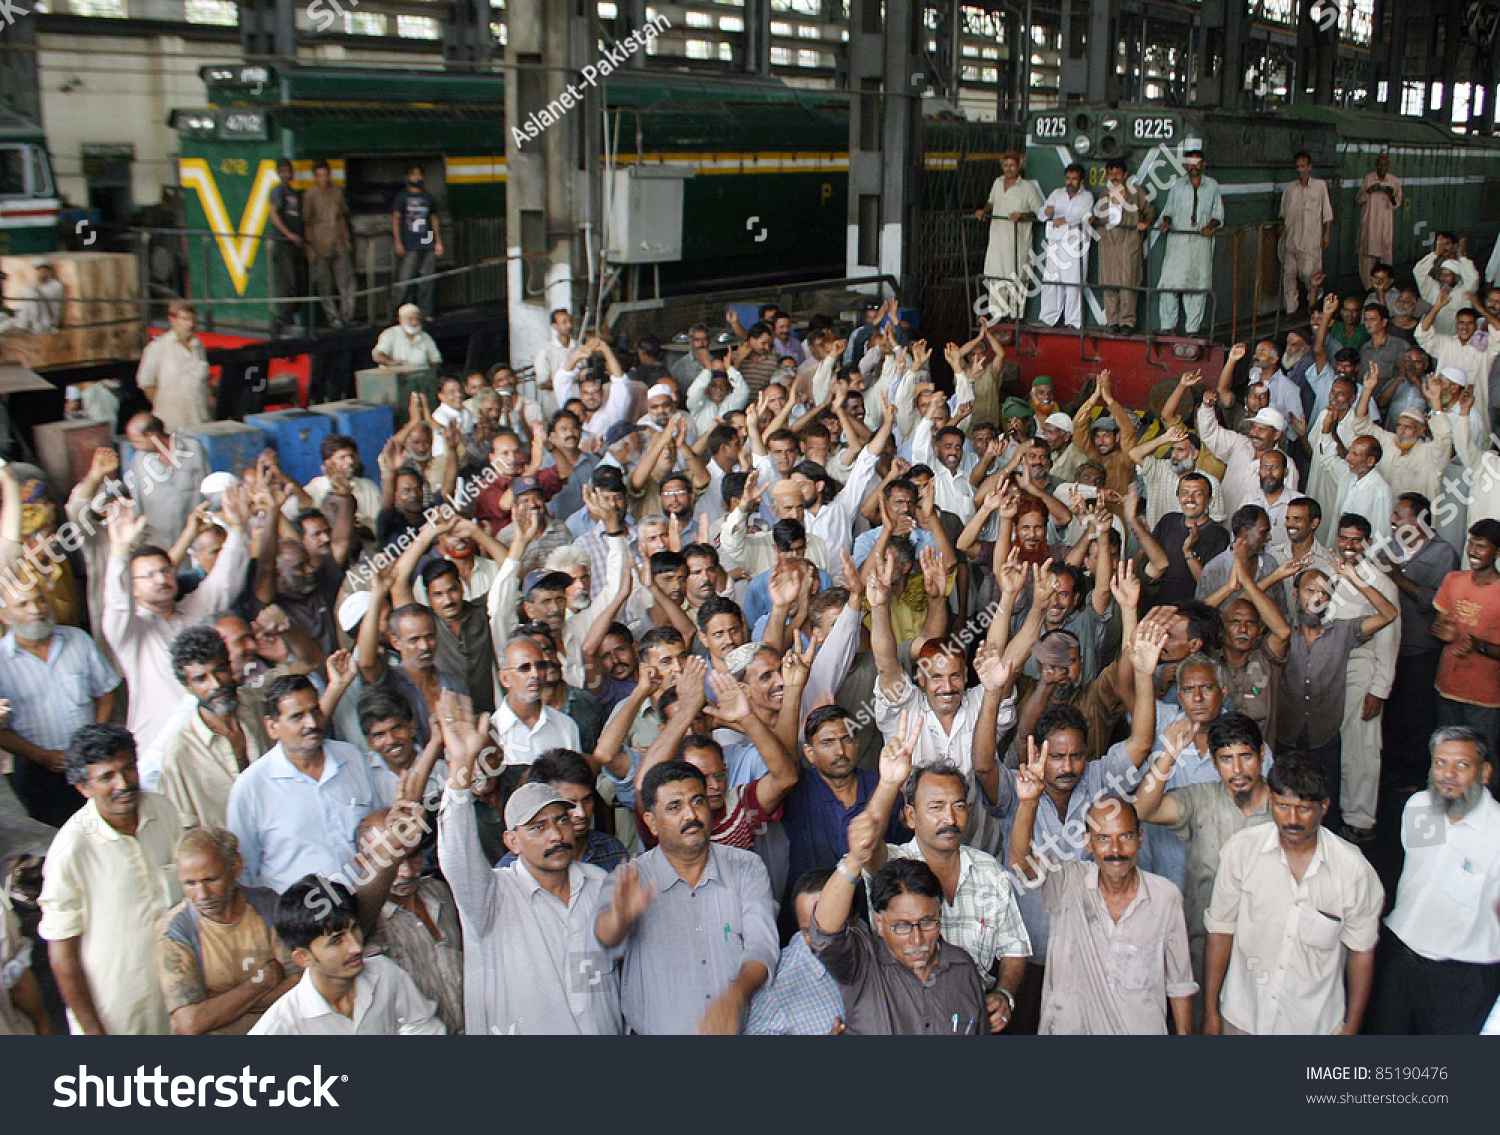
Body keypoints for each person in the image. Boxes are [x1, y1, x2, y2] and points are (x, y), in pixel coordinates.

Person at [435, 697, 622, 1034]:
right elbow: (456, 856)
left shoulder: (597, 883)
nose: (556, 834)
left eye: (561, 820)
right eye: (537, 827)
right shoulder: (493, 896)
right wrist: (461, 770)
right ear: (512, 841)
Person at [593, 760, 778, 1034]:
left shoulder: (746, 867)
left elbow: (762, 947)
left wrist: (735, 996)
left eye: (697, 801)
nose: (691, 815)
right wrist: (620, 918)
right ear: (652, 823)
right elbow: (604, 936)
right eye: (674, 807)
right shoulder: (630, 878)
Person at [1202, 757, 1384, 1035]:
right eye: (1282, 807)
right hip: (1242, 1017)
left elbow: (1361, 953)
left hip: (1313, 1026)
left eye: (1303, 809)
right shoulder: (1242, 851)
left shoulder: (1354, 872)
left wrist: (1352, 1028)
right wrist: (1211, 1011)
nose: (1292, 820)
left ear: (1324, 807)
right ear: (1271, 802)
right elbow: (1220, 933)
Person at [1010, 763, 1196, 1035]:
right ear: (1088, 843)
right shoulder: (1068, 883)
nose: (1116, 850)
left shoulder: (1165, 897)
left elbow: (1179, 984)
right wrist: (1027, 803)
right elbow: (1021, 863)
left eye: (1126, 837)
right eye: (1104, 838)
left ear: (1140, 839)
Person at [39, 723, 184, 1034]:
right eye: (107, 777)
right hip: (118, 1016)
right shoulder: (71, 850)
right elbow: (62, 957)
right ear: (84, 788)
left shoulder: (163, 811)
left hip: (180, 999)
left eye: (128, 768)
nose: (124, 783)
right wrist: (94, 1032)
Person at [1132, 713, 1275, 1012]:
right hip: (1202, 949)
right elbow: (1143, 810)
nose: (1237, 770)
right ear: (1213, 761)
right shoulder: (1201, 799)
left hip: (1266, 954)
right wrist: (1169, 756)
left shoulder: (1284, 810)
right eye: (1226, 759)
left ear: (1262, 755)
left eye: (1246, 757)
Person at [809, 798, 987, 1035]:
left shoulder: (963, 970)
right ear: (880, 923)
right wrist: (854, 861)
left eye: (927, 922)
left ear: (940, 915)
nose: (917, 940)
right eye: (902, 926)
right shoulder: (863, 966)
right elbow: (825, 933)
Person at [1373, 726, 1499, 1034]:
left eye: (1461, 765)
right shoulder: (1417, 807)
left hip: (1460, 979)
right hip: (1400, 961)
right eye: (1440, 763)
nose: (1447, 774)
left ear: (1484, 773)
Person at [102, 490, 250, 752]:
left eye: (165, 571)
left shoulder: (194, 609)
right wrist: (121, 552)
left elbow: (226, 581)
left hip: (213, 738)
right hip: (160, 745)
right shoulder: (131, 631)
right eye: (148, 576)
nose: (160, 579)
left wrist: (238, 529)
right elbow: (117, 606)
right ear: (132, 588)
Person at [226, 674, 379, 895]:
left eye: (315, 711)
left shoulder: (352, 759)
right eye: (297, 716)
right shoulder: (251, 788)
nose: (312, 723)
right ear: (272, 727)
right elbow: (245, 871)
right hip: (305, 919)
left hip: (368, 901)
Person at [249, 875, 445, 1035]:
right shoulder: (282, 1024)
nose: (356, 948)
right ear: (303, 957)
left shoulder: (384, 973)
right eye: (336, 940)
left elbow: (425, 1027)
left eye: (355, 929)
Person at [1275, 564, 1398, 816]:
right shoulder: (1282, 631)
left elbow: (1389, 614)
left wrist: (1354, 578)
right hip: (1286, 732)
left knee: (1322, 802)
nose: (1317, 599)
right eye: (1310, 591)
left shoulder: (1343, 630)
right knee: (1283, 796)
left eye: (1324, 593)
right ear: (1296, 593)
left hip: (1324, 735)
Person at [0, 578, 121, 827]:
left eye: (40, 600)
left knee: (107, 830)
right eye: (23, 604)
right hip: (38, 772)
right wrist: (42, 756)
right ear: (5, 615)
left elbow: (106, 693)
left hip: (92, 762)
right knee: (54, 843)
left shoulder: (77, 640)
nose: (36, 610)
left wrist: (92, 741)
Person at [156, 826, 298, 1035]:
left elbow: (301, 984)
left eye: (211, 880)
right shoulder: (175, 931)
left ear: (236, 866)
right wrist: (263, 982)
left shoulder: (267, 904)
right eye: (190, 884)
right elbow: (191, 1023)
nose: (202, 894)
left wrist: (221, 1002)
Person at [157, 625, 269, 830]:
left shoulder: (255, 703)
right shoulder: (180, 753)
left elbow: (307, 663)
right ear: (187, 687)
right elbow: (183, 829)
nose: (216, 684)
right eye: (201, 679)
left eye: (220, 671)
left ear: (230, 667)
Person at [1432, 519, 1500, 768]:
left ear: (1498, 552)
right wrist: (1444, 633)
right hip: (1447, 686)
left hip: (1484, 697)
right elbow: (1440, 625)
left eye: (1481, 546)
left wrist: (1479, 646)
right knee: (1447, 753)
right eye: (1471, 544)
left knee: (1481, 759)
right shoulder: (1454, 579)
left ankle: (1485, 806)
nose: (1472, 551)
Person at [1157, 150, 1224, 336]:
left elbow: (1218, 215)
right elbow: (1168, 209)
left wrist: (1210, 227)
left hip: (1200, 245)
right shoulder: (1178, 185)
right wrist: (1166, 222)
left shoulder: (1212, 186)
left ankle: (1192, 330)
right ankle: (1167, 327)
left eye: (1197, 163)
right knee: (1169, 284)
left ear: (1203, 164)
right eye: (1190, 163)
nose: (1193, 167)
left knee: (1197, 287)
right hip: (1177, 243)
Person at [973, 151, 1043, 322]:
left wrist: (1022, 215)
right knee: (996, 277)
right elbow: (991, 201)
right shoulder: (997, 183)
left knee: (1016, 278)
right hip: (997, 241)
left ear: (1019, 166)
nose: (1009, 168)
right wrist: (984, 211)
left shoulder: (1027, 188)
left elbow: (1040, 213)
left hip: (1017, 244)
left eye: (1012, 165)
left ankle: (1015, 318)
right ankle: (998, 317)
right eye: (1006, 165)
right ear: (1002, 166)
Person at [1092, 158, 1155, 333]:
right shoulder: (1104, 193)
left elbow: (1150, 210)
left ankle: (1127, 322)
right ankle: (1112, 322)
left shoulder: (1136, 193)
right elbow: (1101, 216)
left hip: (1129, 242)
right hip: (1108, 243)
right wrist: (1093, 219)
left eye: (1117, 173)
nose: (1114, 177)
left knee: (1128, 283)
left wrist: (1146, 223)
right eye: (1111, 173)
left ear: (1125, 175)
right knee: (1109, 283)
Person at [134, 301, 210, 434]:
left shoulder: (198, 346)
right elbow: (147, 384)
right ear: (172, 320)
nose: (190, 324)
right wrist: (164, 405)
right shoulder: (157, 348)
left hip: (200, 422)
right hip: (171, 426)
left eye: (192, 320)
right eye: (184, 319)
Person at [1037, 163, 1095, 330]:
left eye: (1074, 179)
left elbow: (1082, 215)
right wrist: (1047, 212)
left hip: (1075, 246)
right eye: (1068, 178)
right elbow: (1042, 215)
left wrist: (1064, 220)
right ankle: (1047, 318)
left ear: (1081, 180)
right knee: (1051, 281)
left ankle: (1073, 322)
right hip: (1055, 243)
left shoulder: (1087, 197)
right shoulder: (1057, 194)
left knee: (1073, 284)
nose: (1070, 182)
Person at [303, 158, 355, 328]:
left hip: (338, 242)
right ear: (315, 177)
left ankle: (347, 316)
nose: (323, 178)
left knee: (346, 282)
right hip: (319, 244)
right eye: (319, 175)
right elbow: (307, 222)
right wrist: (309, 247)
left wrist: (347, 239)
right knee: (324, 284)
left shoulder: (337, 192)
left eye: (325, 174)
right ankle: (333, 318)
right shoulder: (310, 195)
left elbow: (341, 218)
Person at [1279, 151, 1333, 315]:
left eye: (1303, 166)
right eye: (1298, 167)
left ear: (1310, 167)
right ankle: (1291, 311)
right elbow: (1283, 213)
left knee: (1311, 277)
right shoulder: (1290, 188)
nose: (1301, 170)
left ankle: (1314, 310)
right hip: (1291, 240)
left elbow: (1327, 214)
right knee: (1289, 276)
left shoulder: (1319, 186)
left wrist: (1327, 234)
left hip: (1311, 241)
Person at [390, 163, 442, 317]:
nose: (416, 177)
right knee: (405, 281)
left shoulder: (428, 197)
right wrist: (398, 242)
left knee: (427, 281)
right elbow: (395, 219)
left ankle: (425, 313)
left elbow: (434, 219)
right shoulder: (402, 197)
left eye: (419, 174)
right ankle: (396, 314)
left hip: (428, 241)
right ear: (407, 177)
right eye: (413, 174)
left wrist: (438, 242)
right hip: (409, 243)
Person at [267, 158, 305, 335]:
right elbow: (273, 214)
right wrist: (289, 235)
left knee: (298, 280)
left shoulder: (294, 193)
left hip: (296, 244)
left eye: (288, 171)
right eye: (282, 171)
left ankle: (291, 316)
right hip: (284, 243)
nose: (286, 174)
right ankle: (285, 318)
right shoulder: (277, 191)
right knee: (287, 281)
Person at [1357, 153, 1401, 288]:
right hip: (1370, 224)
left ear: (1388, 166)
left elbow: (1396, 203)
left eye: (1385, 165)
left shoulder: (1394, 181)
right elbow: (1359, 199)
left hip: (1385, 225)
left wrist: (1389, 194)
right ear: (1376, 165)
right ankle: (1368, 288)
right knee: (1367, 258)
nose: (1382, 167)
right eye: (1380, 165)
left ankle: (1385, 287)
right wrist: (1370, 190)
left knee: (1386, 256)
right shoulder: (1369, 178)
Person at [373, 303, 442, 368]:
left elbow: (436, 360)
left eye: (417, 319)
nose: (415, 322)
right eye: (410, 319)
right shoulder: (389, 334)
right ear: (400, 319)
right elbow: (378, 355)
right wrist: (390, 363)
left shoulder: (425, 337)